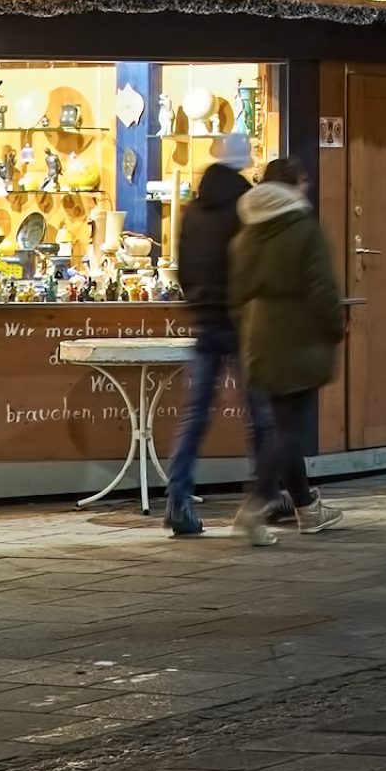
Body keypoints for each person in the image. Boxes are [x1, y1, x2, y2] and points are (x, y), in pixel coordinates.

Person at [227, 156, 347, 543]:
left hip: (259, 336)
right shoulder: (302, 229)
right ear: (293, 186)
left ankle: (308, 511)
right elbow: (323, 287)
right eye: (305, 182)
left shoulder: (247, 231)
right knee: (292, 429)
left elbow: (236, 293)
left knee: (284, 425)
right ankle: (259, 499)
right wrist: (335, 327)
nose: (307, 189)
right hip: (299, 335)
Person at [162, 135, 265, 538]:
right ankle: (265, 495)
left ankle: (178, 500)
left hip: (205, 321)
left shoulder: (193, 210)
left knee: (195, 415)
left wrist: (199, 301)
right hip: (241, 323)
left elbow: (183, 266)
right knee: (260, 416)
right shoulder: (247, 206)